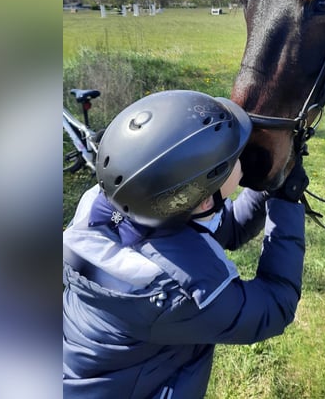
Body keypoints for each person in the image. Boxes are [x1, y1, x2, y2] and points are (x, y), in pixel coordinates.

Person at [63, 90, 309, 398]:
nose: (243, 154)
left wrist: (269, 183)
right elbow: (274, 307)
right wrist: (287, 199)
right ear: (205, 199)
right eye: (234, 156)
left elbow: (226, 229)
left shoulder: (128, 205)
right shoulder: (180, 290)